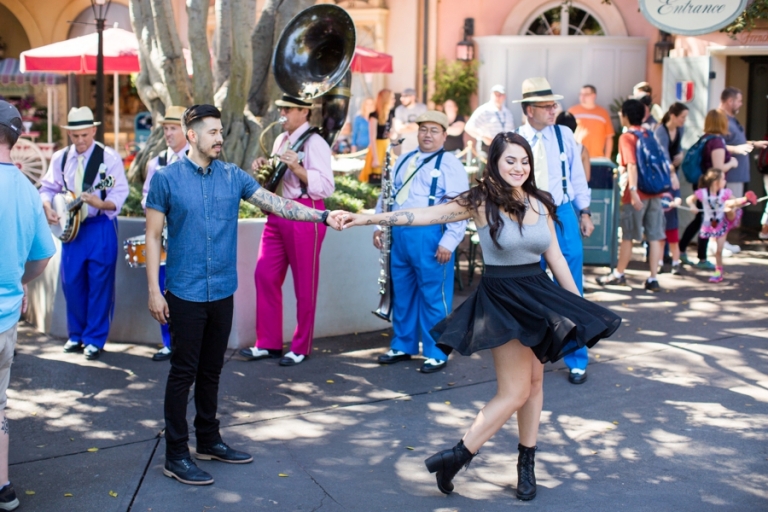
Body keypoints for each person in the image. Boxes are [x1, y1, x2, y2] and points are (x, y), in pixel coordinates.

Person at [333, 132, 621, 501]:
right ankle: (458, 454)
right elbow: (423, 214)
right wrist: (365, 218)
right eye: (510, 161)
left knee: (534, 384)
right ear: (495, 163)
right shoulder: (481, 201)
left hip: (539, 293)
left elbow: (557, 259)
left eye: (524, 161)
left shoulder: (540, 202)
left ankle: (525, 463)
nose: (519, 168)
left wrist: (580, 306)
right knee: (515, 390)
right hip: (503, 298)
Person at [145, 104, 341, 486]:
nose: (220, 138)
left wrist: (321, 215)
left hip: (221, 289)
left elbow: (277, 204)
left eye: (221, 131)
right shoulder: (166, 179)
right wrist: (154, 290)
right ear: (192, 135)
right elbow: (153, 236)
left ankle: (208, 440)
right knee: (183, 372)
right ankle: (175, 454)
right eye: (213, 132)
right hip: (183, 292)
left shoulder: (233, 176)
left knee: (212, 370)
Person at [240, 96, 334, 367]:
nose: (282, 113)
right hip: (279, 211)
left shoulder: (315, 142)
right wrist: (264, 167)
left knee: (305, 284)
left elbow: (327, 186)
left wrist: (298, 168)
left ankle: (301, 346)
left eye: (288, 109)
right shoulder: (281, 139)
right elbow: (277, 177)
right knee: (264, 275)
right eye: (280, 108)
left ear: (304, 112)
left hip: (305, 213)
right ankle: (267, 342)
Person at [372, 111, 468, 373]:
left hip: (430, 234)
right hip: (400, 234)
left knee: (433, 295)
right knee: (402, 292)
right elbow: (388, 194)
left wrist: (449, 240)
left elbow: (459, 205)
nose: (427, 134)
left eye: (434, 130)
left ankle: (437, 350)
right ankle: (403, 344)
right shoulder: (404, 159)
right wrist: (381, 224)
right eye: (423, 129)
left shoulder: (450, 163)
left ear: (444, 135)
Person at [515, 77, 594, 385]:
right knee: (529, 286)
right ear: (529, 109)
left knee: (571, 284)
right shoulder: (515, 138)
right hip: (528, 215)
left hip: (562, 214)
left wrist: (584, 211)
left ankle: (577, 357)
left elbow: (577, 177)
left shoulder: (563, 134)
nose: (553, 110)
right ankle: (531, 357)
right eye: (547, 106)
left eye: (553, 104)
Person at [38, 107, 129, 360]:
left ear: (93, 131)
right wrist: (47, 207)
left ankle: (94, 338)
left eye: (84, 135)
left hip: (99, 227)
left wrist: (100, 204)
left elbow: (119, 193)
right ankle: (76, 334)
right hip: (71, 230)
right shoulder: (61, 158)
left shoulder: (108, 158)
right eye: (75, 136)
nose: (80, 141)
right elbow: (47, 188)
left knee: (100, 283)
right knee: (71, 283)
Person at [0, 100, 56, 512]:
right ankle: (3, 487)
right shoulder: (26, 189)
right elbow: (42, 255)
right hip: (6, 316)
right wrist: (18, 286)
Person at [597, 99, 667, 292]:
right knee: (654, 236)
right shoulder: (648, 133)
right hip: (654, 192)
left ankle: (619, 274)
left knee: (628, 236)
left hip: (635, 193)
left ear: (625, 115)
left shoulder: (627, 137)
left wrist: (634, 192)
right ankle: (653, 277)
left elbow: (632, 165)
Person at [141, 105, 189, 362]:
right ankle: (169, 343)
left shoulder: (196, 159)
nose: (168, 134)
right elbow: (147, 197)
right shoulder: (156, 162)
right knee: (162, 285)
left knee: (186, 289)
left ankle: (187, 342)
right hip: (163, 235)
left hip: (187, 238)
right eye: (165, 129)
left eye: (173, 128)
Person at [678, 109, 738, 270]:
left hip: (701, 184)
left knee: (700, 220)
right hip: (711, 188)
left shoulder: (705, 139)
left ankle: (681, 250)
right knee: (706, 221)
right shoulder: (717, 142)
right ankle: (701, 257)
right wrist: (732, 163)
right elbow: (718, 169)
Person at [686, 168, 758, 282]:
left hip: (724, 221)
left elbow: (734, 200)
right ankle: (718, 271)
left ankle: (746, 199)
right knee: (718, 250)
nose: (725, 181)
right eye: (723, 179)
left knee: (728, 205)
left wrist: (737, 204)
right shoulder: (703, 193)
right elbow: (689, 199)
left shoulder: (725, 193)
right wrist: (692, 206)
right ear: (716, 182)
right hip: (711, 224)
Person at [654, 102, 688, 275]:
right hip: (665, 173)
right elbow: (662, 154)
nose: (684, 120)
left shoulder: (679, 130)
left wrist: (680, 155)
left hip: (673, 170)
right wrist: (672, 172)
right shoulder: (661, 131)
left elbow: (677, 149)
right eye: (682, 117)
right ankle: (659, 258)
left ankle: (671, 259)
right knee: (660, 228)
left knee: (670, 229)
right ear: (673, 116)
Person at [567, 84, 614, 159]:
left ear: (594, 95)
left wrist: (607, 158)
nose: (582, 97)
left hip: (598, 158)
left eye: (586, 94)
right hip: (577, 157)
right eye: (581, 94)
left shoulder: (603, 113)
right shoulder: (572, 111)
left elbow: (609, 137)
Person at [359, 89, 395, 183]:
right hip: (377, 147)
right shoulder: (374, 116)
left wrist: (392, 134)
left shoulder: (391, 113)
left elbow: (394, 132)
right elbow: (372, 137)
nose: (394, 100)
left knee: (388, 175)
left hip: (386, 145)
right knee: (376, 176)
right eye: (392, 98)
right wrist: (375, 158)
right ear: (386, 100)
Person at [465, 84, 515, 151]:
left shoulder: (508, 113)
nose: (498, 97)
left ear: (504, 96)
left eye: (500, 95)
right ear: (491, 95)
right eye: (496, 94)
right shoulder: (484, 110)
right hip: (488, 148)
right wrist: (483, 136)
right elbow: (468, 127)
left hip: (504, 147)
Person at [556, 111, 591, 182]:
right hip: (575, 188)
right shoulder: (582, 149)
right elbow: (586, 177)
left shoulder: (551, 146)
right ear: (575, 126)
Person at [393, 88, 428, 155]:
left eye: (405, 96)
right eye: (401, 96)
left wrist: (405, 125)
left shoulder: (422, 108)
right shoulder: (399, 110)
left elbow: (424, 126)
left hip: (421, 146)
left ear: (413, 97)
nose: (401, 99)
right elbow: (399, 129)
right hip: (406, 147)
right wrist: (417, 125)